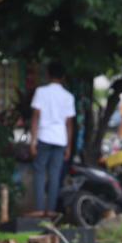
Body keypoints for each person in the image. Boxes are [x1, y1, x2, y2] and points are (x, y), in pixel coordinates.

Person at [29, 62, 76, 217]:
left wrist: (32, 140)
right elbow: (69, 123)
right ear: (64, 77)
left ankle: (38, 208)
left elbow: (35, 116)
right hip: (60, 138)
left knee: (39, 172)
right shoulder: (68, 96)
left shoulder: (41, 92)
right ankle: (51, 209)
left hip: (44, 136)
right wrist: (68, 147)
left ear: (47, 75)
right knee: (55, 174)